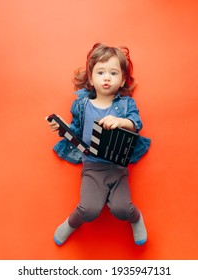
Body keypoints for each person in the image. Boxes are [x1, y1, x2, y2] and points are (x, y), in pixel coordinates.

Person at [46, 43, 151, 246]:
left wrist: (121, 122)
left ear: (122, 80)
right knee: (89, 209)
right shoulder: (82, 104)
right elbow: (76, 132)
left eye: (113, 73)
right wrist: (63, 128)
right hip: (92, 165)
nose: (107, 77)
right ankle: (71, 223)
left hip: (117, 164)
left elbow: (137, 123)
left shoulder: (126, 104)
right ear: (91, 78)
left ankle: (136, 218)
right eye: (100, 72)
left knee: (122, 209)